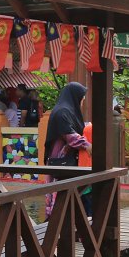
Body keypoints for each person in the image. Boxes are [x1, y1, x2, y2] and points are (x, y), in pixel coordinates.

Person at [43, 82, 92, 218]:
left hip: (68, 163)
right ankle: (55, 230)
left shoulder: (66, 111)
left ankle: (69, 230)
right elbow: (71, 136)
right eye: (81, 98)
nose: (82, 102)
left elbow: (77, 128)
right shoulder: (61, 112)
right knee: (58, 198)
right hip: (60, 162)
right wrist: (88, 145)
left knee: (68, 197)